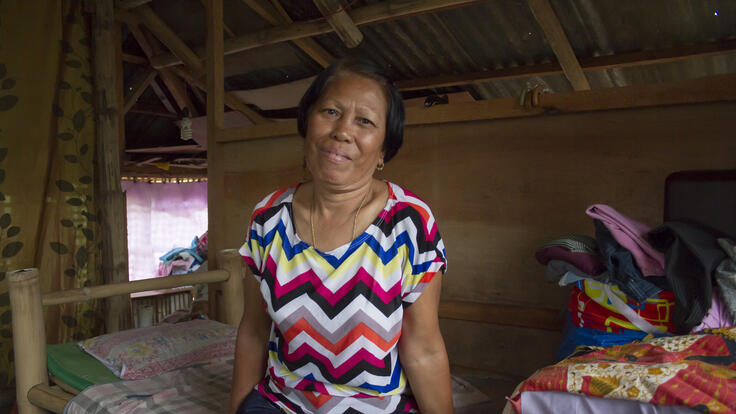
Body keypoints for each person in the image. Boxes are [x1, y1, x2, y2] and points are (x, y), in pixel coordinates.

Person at [230, 57, 452, 414]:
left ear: (383, 149)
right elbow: (254, 332)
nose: (342, 131)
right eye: (330, 111)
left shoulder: (409, 224)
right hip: (282, 403)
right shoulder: (268, 218)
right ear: (306, 122)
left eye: (364, 121)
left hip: (375, 407)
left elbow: (423, 350)